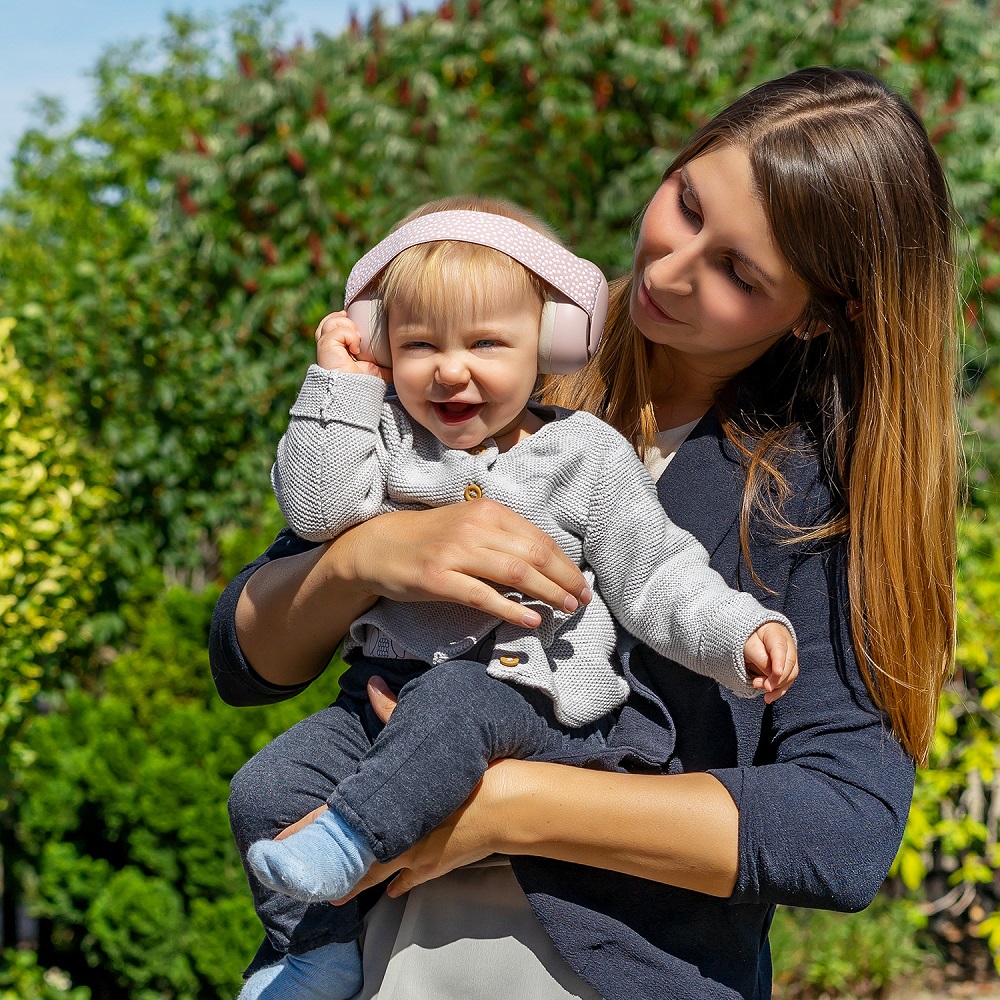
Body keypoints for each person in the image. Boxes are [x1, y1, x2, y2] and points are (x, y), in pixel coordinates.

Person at [211, 67, 959, 999]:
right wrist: (365, 560)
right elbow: (248, 655)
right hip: (376, 967)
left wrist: (504, 808)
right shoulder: (490, 348)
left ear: (817, 314)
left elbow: (843, 829)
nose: (670, 268)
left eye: (737, 271)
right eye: (685, 203)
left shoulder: (809, 495)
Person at [233, 194, 799, 1000]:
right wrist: (339, 383)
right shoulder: (384, 435)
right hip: (378, 705)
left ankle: (352, 837)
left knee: (461, 698)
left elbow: (658, 574)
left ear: (552, 343)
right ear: (382, 343)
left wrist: (738, 633)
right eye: (419, 343)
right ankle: (315, 950)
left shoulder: (584, 455)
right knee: (265, 787)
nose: (451, 368)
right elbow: (319, 510)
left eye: (486, 342)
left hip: (527, 701)